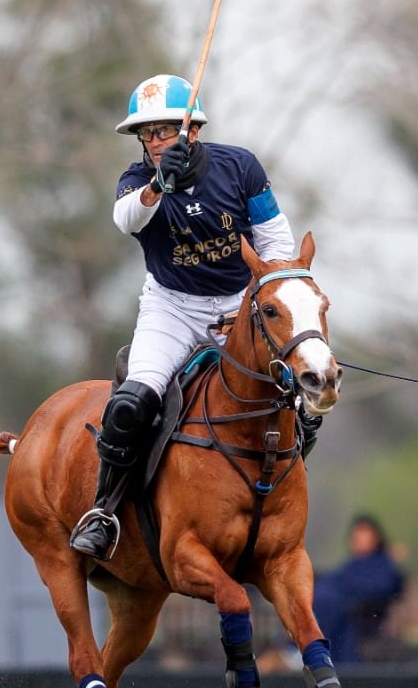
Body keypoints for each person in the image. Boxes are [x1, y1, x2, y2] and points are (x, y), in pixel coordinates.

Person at [69, 73, 318, 561]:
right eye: (148, 133)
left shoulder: (240, 167)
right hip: (172, 307)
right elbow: (126, 220)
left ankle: (270, 503)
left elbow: (275, 245)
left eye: (165, 130)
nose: (155, 141)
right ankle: (105, 511)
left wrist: (252, 305)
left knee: (302, 402)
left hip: (239, 303)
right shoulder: (136, 182)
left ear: (192, 131)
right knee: (130, 405)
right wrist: (158, 187)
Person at [312, 514, 406, 664]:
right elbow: (335, 579)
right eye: (357, 537)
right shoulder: (352, 564)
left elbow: (383, 587)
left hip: (363, 617)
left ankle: (314, 654)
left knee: (327, 603)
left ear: (376, 538)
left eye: (365, 535)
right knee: (320, 598)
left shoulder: (383, 563)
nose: (360, 541)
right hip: (337, 605)